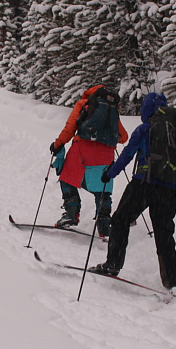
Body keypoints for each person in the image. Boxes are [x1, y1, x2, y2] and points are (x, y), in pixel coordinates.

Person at [90, 92, 176, 289]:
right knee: (164, 233)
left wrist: (109, 173)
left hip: (143, 184)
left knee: (120, 220)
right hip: (168, 190)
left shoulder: (145, 129)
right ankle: (172, 281)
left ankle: (113, 264)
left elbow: (127, 155)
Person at [49, 85, 128, 237]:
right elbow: (124, 137)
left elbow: (70, 129)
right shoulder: (112, 109)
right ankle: (104, 223)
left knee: (67, 178)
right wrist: (105, 138)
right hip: (106, 155)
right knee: (103, 189)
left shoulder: (84, 104)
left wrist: (57, 144)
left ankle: (72, 213)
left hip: (82, 150)